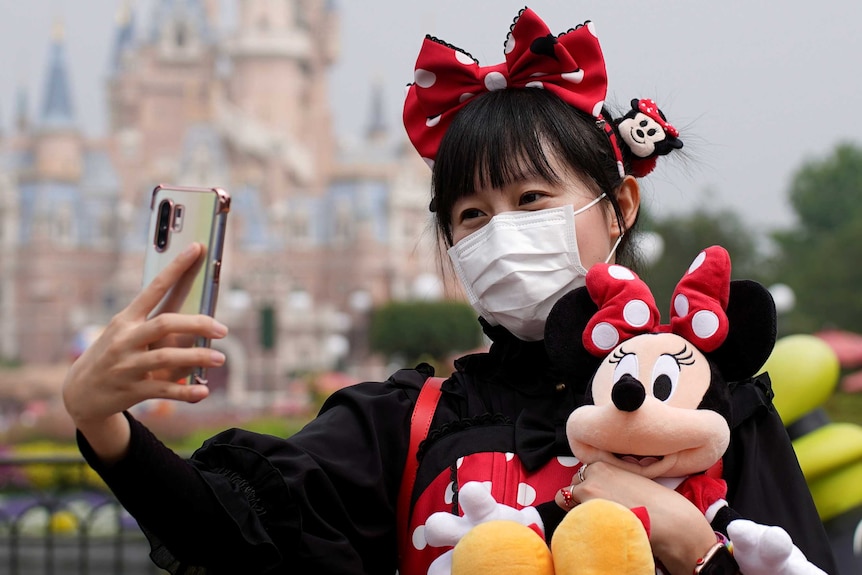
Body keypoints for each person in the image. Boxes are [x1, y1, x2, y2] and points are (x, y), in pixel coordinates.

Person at [62, 7, 836, 575]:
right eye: (472, 215)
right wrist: (101, 419)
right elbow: (232, 533)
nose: (501, 233)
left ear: (619, 206)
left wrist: (697, 546)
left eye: (531, 201)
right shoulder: (407, 426)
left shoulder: (714, 410)